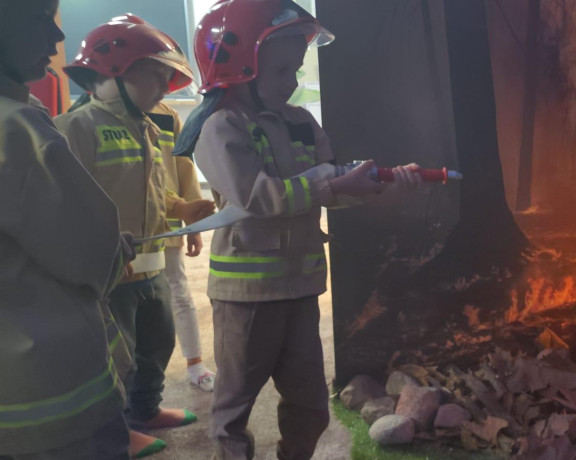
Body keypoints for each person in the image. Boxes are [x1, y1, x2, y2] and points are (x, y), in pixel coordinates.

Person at [177, 1, 420, 458]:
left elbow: (331, 183)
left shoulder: (301, 123)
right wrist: (334, 184)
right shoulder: (220, 128)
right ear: (238, 68)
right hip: (246, 297)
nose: (292, 81)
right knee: (234, 407)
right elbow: (259, 197)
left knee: (311, 406)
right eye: (281, 69)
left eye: (296, 67)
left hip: (300, 289)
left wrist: (383, 186)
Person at [54, 14, 216, 458]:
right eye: (156, 77)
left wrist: (180, 209)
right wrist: (96, 250)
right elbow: (68, 203)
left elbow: (152, 187)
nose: (165, 90)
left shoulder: (145, 126)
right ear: (115, 72)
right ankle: (119, 427)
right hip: (111, 272)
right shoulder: (77, 128)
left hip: (151, 262)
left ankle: (145, 410)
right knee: (116, 354)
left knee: (156, 341)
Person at [0, 0, 135, 458]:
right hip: (53, 399)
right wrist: (119, 250)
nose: (56, 38)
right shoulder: (16, 126)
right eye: (39, 18)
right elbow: (90, 251)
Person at [152, 101, 217, 392]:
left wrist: (194, 223)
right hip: (126, 228)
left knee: (178, 290)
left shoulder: (167, 115)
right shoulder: (90, 114)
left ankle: (195, 363)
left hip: (169, 222)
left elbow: (183, 164)